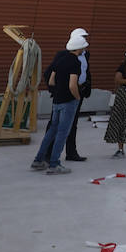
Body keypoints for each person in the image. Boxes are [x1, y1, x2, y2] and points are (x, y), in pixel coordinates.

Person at [30, 33, 84, 174]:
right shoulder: (75, 63)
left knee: (52, 131)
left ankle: (38, 160)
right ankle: (54, 164)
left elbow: (51, 81)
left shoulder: (60, 60)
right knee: (62, 133)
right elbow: (73, 85)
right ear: (79, 48)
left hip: (57, 101)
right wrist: (77, 98)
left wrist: (57, 91)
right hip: (68, 102)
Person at [62, 27, 91, 161]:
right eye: (83, 38)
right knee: (60, 124)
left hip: (80, 89)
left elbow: (86, 71)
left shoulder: (85, 54)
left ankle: (71, 152)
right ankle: (48, 154)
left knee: (73, 124)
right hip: (69, 91)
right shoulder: (65, 56)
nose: (85, 41)